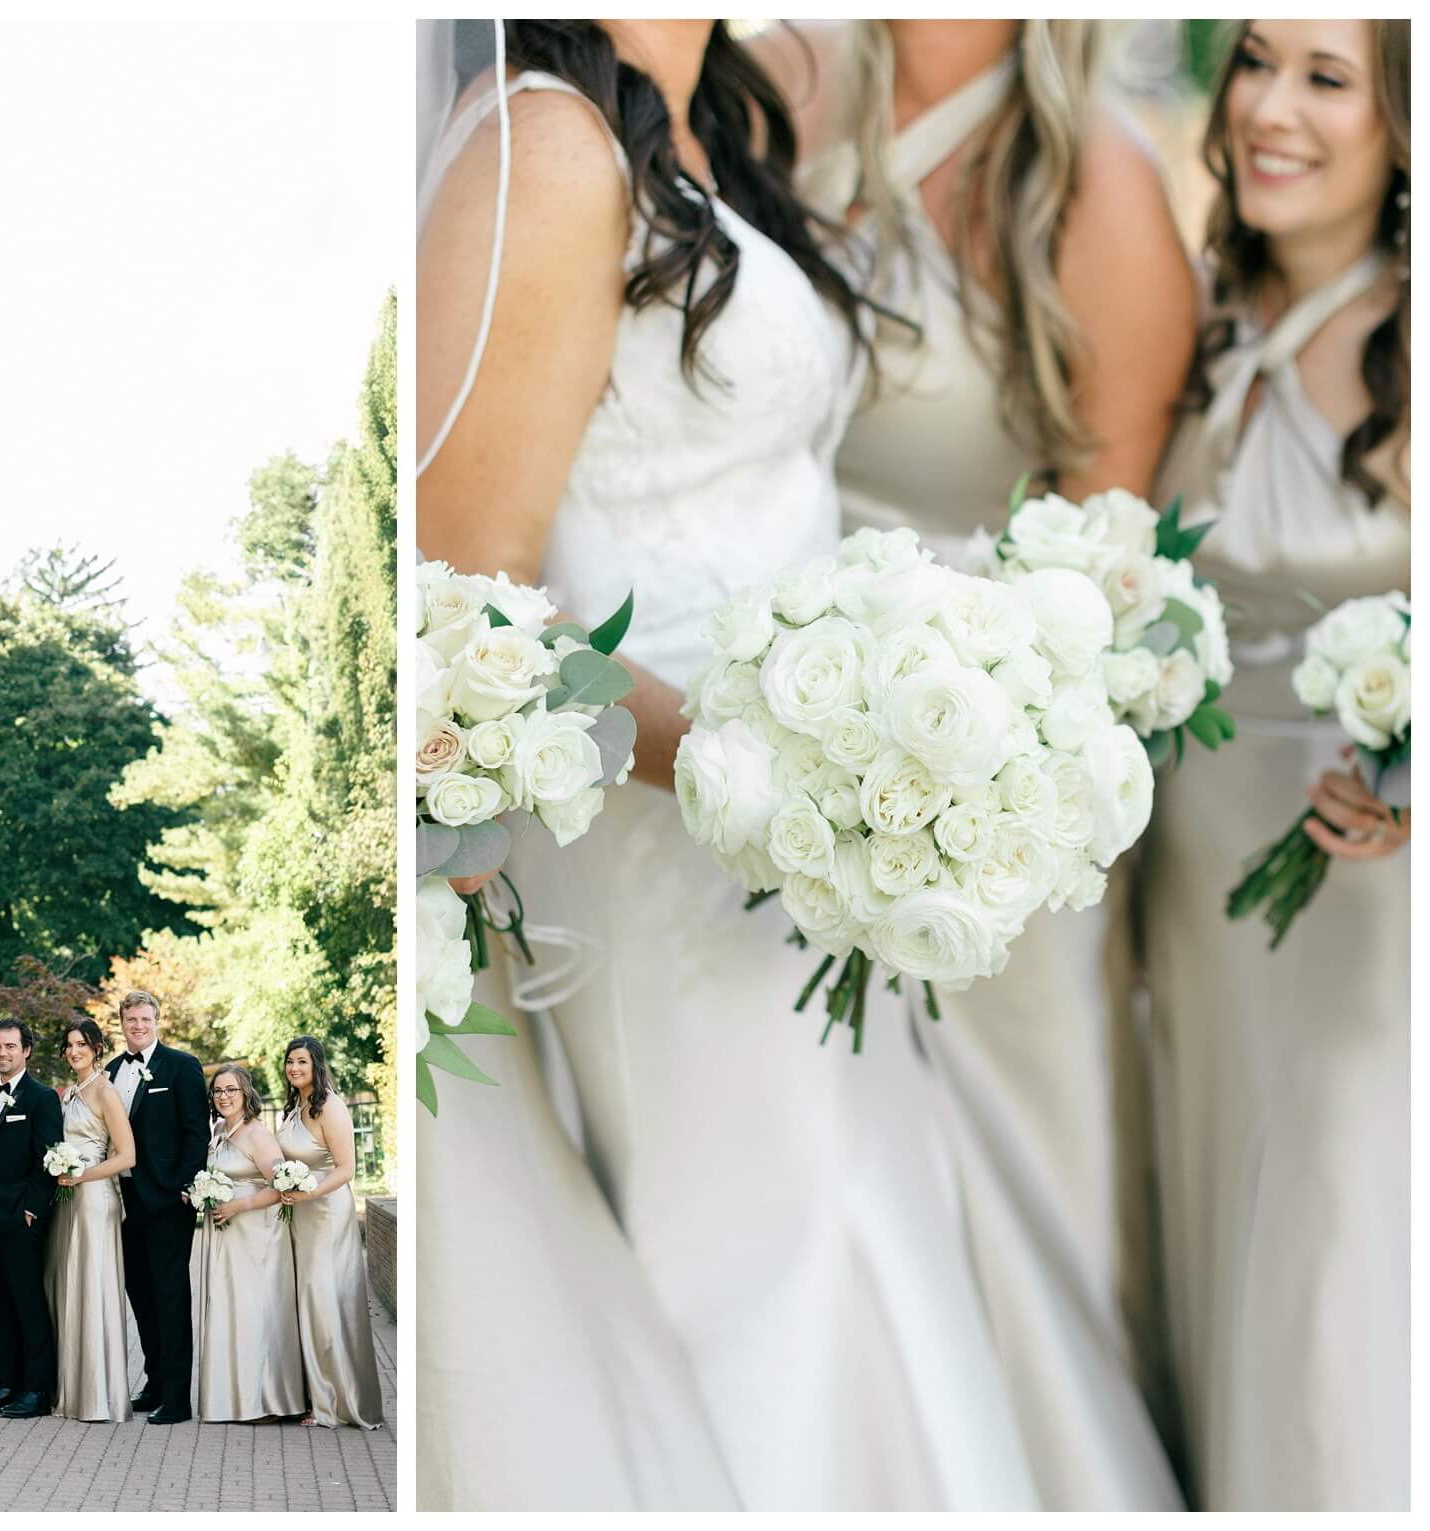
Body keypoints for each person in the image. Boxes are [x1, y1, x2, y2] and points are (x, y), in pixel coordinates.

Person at [417, 17, 1075, 1509]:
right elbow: (469, 611)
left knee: (859, 1209)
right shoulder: (550, 147)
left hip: (827, 830)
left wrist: (939, 688)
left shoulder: (724, 98)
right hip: (671, 829)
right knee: (758, 1249)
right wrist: (774, 766)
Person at [760, 18, 1193, 1507]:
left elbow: (1107, 569)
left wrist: (959, 781)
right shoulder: (775, 81)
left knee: (1027, 1219)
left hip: (999, 790)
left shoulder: (1097, 187)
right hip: (767, 760)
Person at [1144, 18, 1409, 1509]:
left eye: (1325, 76)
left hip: (1359, 904)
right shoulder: (1205, 315)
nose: (1268, 107)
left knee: (1325, 1266)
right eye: (1253, 61)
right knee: (1221, 1254)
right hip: (1192, 906)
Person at [104, 990, 209, 1424]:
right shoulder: (110, 1071)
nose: (138, 1026)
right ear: (122, 1023)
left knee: (169, 1297)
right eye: (131, 1020)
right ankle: (155, 1382)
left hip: (167, 1200)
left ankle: (179, 1398)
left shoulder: (181, 1067)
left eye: (145, 1019)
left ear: (157, 1021)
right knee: (140, 1296)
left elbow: (195, 1132)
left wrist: (186, 1185)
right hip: (122, 1201)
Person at [274, 1038, 381, 1429]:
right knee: (307, 1299)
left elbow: (345, 1168)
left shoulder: (330, 1105)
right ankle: (316, 1394)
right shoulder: (295, 1106)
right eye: (289, 1061)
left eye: (301, 1061)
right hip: (300, 1213)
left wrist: (309, 1193)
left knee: (324, 1298)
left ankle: (335, 1402)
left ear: (316, 1064)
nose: (294, 1067)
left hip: (326, 1210)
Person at [0, 1019, 63, 1419]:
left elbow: (49, 1159)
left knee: (28, 1305)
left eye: (9, 1046)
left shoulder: (41, 1098)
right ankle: (8, 1382)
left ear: (26, 1051)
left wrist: (32, 1210)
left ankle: (36, 1390)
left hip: (19, 1219)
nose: (1, 1053)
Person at [193, 1063, 303, 1423]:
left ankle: (267, 1399)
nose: (223, 1097)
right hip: (227, 1236)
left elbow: (281, 1186)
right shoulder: (220, 1130)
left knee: (256, 1312)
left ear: (246, 1094)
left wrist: (238, 1205)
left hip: (257, 1233)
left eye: (231, 1090)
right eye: (218, 1091)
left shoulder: (257, 1134)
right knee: (232, 1312)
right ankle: (234, 1398)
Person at [46, 1013, 136, 1422]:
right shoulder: (69, 1092)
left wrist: (82, 1173)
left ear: (97, 1048)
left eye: (82, 1043)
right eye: (69, 1045)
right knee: (66, 1287)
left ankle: (99, 1394)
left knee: (92, 1289)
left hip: (95, 1198)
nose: (74, 1050)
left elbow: (126, 1156)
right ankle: (72, 1387)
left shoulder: (105, 1092)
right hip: (67, 1200)